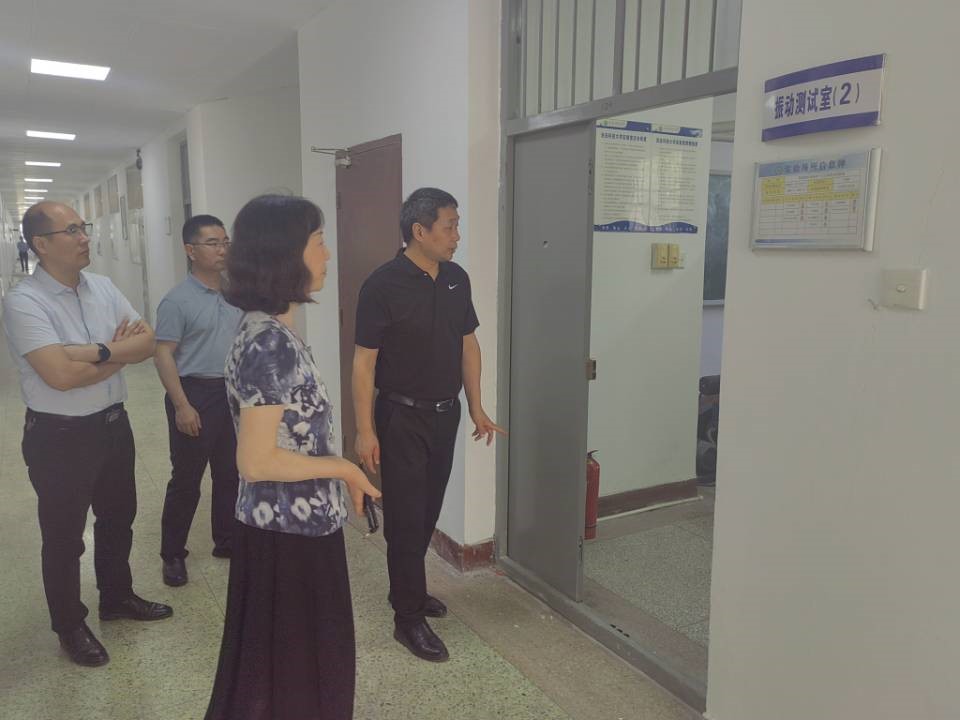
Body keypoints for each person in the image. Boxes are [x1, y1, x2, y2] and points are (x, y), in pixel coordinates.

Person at [205, 194, 380, 720]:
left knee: (285, 670)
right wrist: (344, 467)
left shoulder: (271, 330)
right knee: (295, 675)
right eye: (319, 242)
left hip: (291, 524)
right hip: (287, 533)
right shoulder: (270, 342)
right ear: (286, 254)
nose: (327, 255)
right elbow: (257, 460)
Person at [2, 201, 172, 668]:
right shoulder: (24, 302)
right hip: (59, 436)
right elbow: (59, 376)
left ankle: (116, 597)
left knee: (118, 518)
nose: (84, 237)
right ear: (41, 244)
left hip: (114, 424)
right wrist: (119, 353)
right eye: (72, 230)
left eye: (84, 227)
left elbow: (148, 341)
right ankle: (69, 625)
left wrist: (92, 352)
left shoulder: (104, 287)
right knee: (64, 537)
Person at [352, 187, 505, 663]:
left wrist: (476, 406)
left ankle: (408, 589)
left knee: (427, 510)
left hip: (445, 413)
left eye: (457, 226)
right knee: (405, 516)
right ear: (419, 231)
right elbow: (364, 363)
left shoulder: (456, 279)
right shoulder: (382, 285)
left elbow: (468, 345)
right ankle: (407, 617)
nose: (457, 236)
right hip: (400, 416)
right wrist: (364, 430)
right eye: (449, 227)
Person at [154, 215, 243, 587]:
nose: (222, 250)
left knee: (230, 472)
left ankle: (227, 540)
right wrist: (182, 405)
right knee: (187, 479)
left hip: (231, 393)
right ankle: (173, 554)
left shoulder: (236, 293)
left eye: (225, 242)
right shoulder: (177, 301)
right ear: (190, 250)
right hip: (194, 392)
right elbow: (163, 353)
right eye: (212, 243)